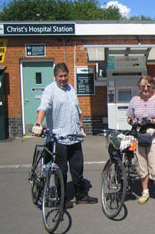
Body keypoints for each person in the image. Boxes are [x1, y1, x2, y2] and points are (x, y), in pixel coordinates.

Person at [32, 63, 98, 209]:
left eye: (65, 75)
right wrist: (38, 124)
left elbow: (78, 109)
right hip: (58, 138)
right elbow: (43, 107)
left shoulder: (70, 89)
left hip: (74, 136)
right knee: (61, 170)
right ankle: (62, 198)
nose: (63, 78)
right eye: (60, 76)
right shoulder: (50, 90)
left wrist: (81, 127)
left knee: (77, 168)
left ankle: (81, 196)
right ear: (55, 76)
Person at [126, 75, 155, 208]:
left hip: (154, 135)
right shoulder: (134, 100)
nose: (145, 88)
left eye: (148, 86)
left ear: (152, 87)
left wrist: (150, 121)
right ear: (139, 86)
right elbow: (129, 117)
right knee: (141, 165)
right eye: (143, 86)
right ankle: (145, 192)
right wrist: (132, 121)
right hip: (139, 136)